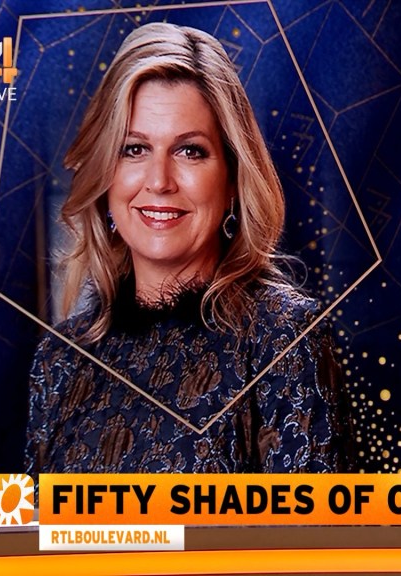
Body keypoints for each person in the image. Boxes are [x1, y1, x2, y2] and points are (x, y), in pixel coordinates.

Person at [24, 23, 352, 475]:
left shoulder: (285, 340)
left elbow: (314, 520)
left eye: (190, 151)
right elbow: (33, 521)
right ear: (105, 174)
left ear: (233, 177)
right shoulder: (59, 360)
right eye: (134, 149)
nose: (159, 181)